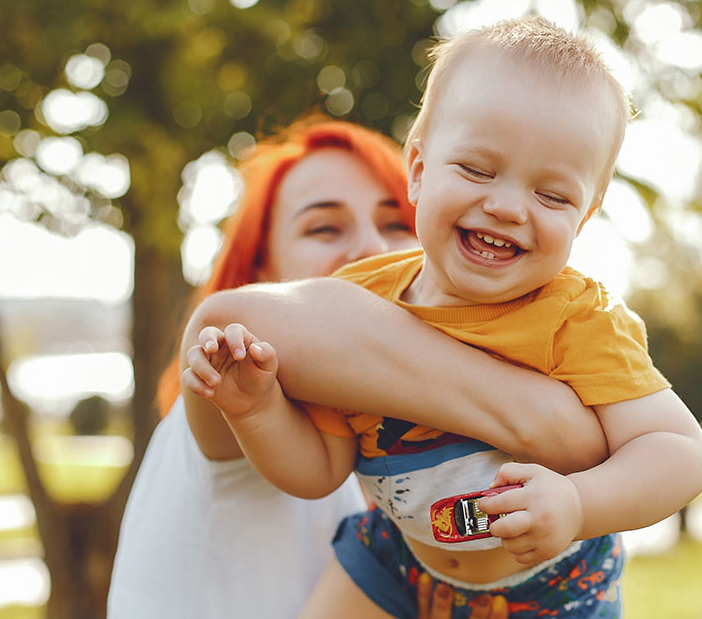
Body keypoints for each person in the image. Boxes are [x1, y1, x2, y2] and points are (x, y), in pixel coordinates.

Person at [181, 17, 702, 618]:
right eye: (478, 170)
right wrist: (256, 409)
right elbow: (319, 471)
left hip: (547, 589)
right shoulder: (355, 309)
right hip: (401, 563)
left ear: (584, 218)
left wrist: (578, 504)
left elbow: (676, 451)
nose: (508, 206)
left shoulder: (576, 320)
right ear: (418, 169)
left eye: (553, 196)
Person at [108, 115, 609, 619]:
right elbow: (225, 318)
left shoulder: (378, 433)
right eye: (323, 227)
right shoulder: (227, 389)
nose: (371, 248)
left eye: (396, 223)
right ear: (261, 272)